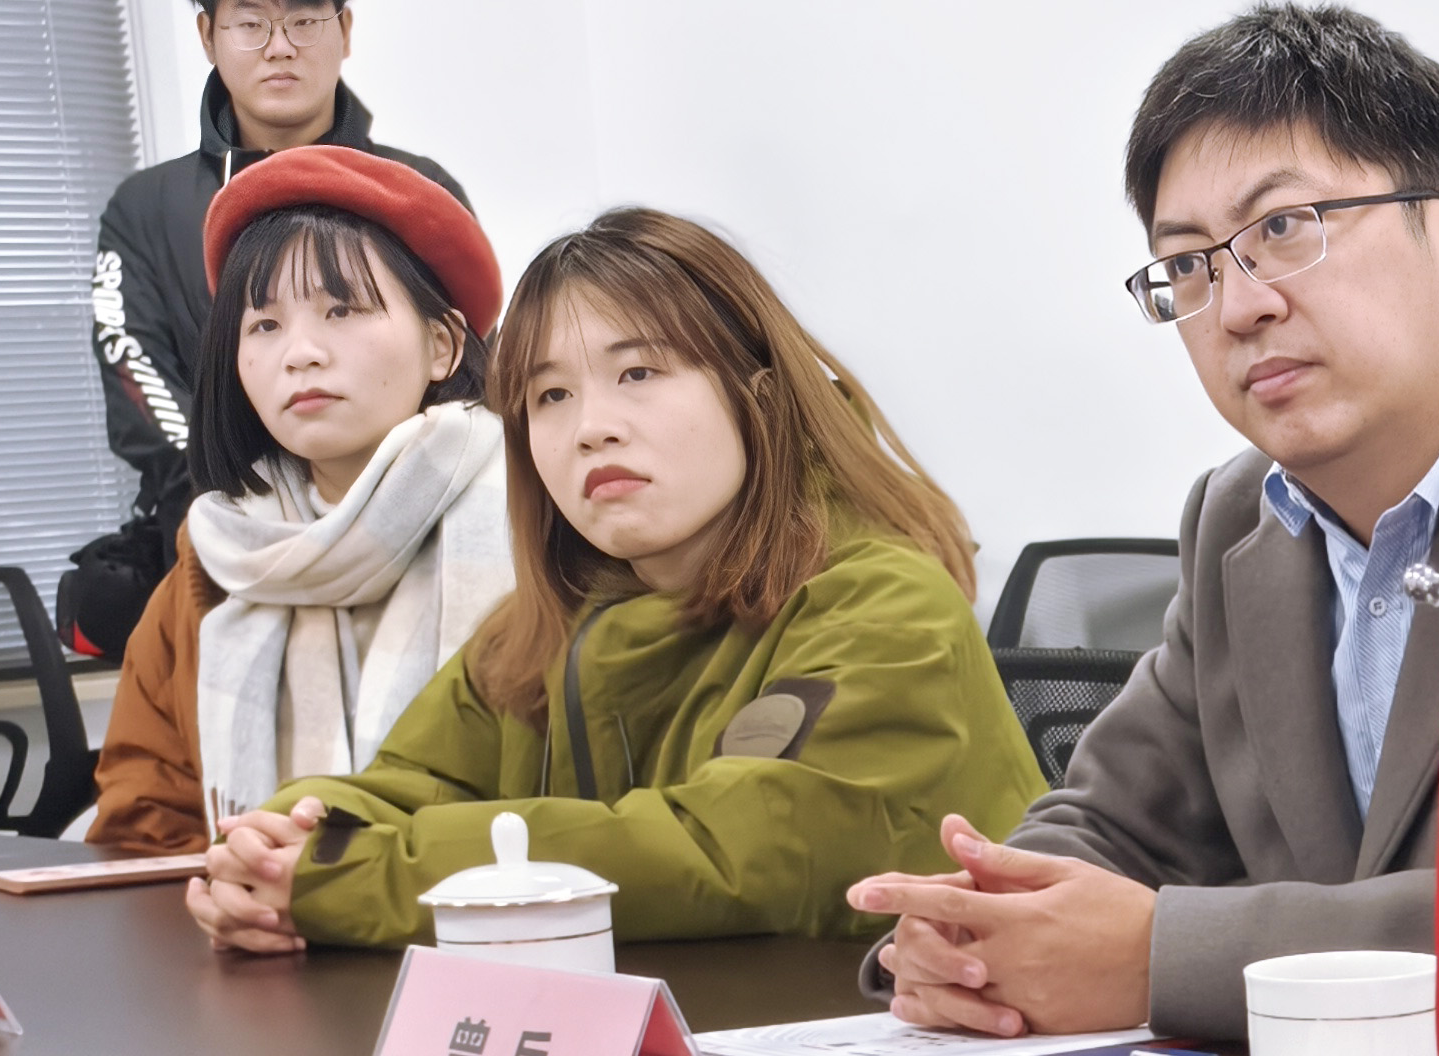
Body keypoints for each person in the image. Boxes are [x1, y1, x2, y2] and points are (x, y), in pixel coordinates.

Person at [846, 2, 1439, 1050]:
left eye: (1283, 230)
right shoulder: (1238, 519)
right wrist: (969, 938)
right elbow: (1116, 822)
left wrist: (1161, 959)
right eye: (1189, 266)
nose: (1239, 308)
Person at [184, 208, 1041, 954]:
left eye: (639, 374)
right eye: (550, 396)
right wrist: (283, 843)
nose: (592, 428)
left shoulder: (886, 603)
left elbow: (737, 851)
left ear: (759, 394)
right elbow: (411, 787)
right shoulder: (542, 627)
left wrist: (342, 877)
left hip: (917, 1055)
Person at [87, 149, 510, 856]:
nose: (300, 353)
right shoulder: (215, 563)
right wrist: (241, 889)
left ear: (442, 345)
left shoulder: (542, 523)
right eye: (264, 325)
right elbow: (144, 822)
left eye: (342, 309)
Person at [72, 0, 471, 661]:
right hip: (218, 537)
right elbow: (136, 375)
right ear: (208, 36)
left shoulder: (415, 188)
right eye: (251, 24)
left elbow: (463, 367)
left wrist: (368, 488)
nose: (280, 46)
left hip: (411, 530)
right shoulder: (147, 207)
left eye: (304, 21)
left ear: (343, 30)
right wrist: (243, 491)